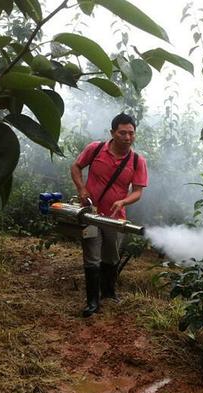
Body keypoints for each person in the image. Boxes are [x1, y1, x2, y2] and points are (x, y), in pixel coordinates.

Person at [71, 112, 148, 317]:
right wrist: (81, 189)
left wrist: (123, 201)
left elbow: (138, 191)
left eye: (131, 133)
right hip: (91, 213)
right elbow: (76, 167)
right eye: (122, 133)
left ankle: (108, 292)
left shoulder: (137, 161)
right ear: (112, 133)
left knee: (111, 257)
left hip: (116, 218)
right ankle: (92, 302)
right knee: (92, 257)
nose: (127, 137)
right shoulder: (95, 149)